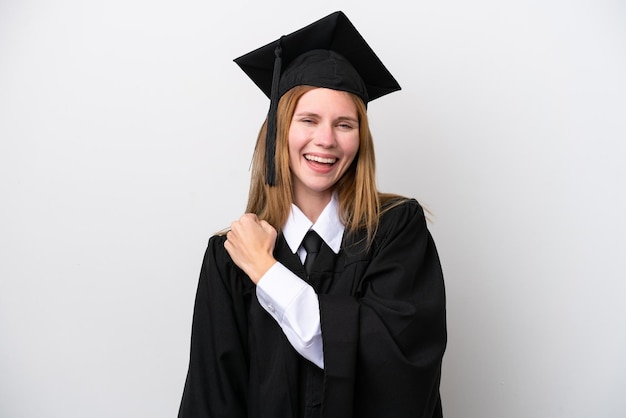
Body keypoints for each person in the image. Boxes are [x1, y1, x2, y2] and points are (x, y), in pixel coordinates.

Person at [178, 11, 447, 418]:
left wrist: (267, 272)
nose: (325, 140)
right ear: (278, 131)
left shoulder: (395, 231)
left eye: (344, 124)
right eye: (308, 120)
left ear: (361, 139)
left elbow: (399, 373)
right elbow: (212, 398)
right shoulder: (229, 256)